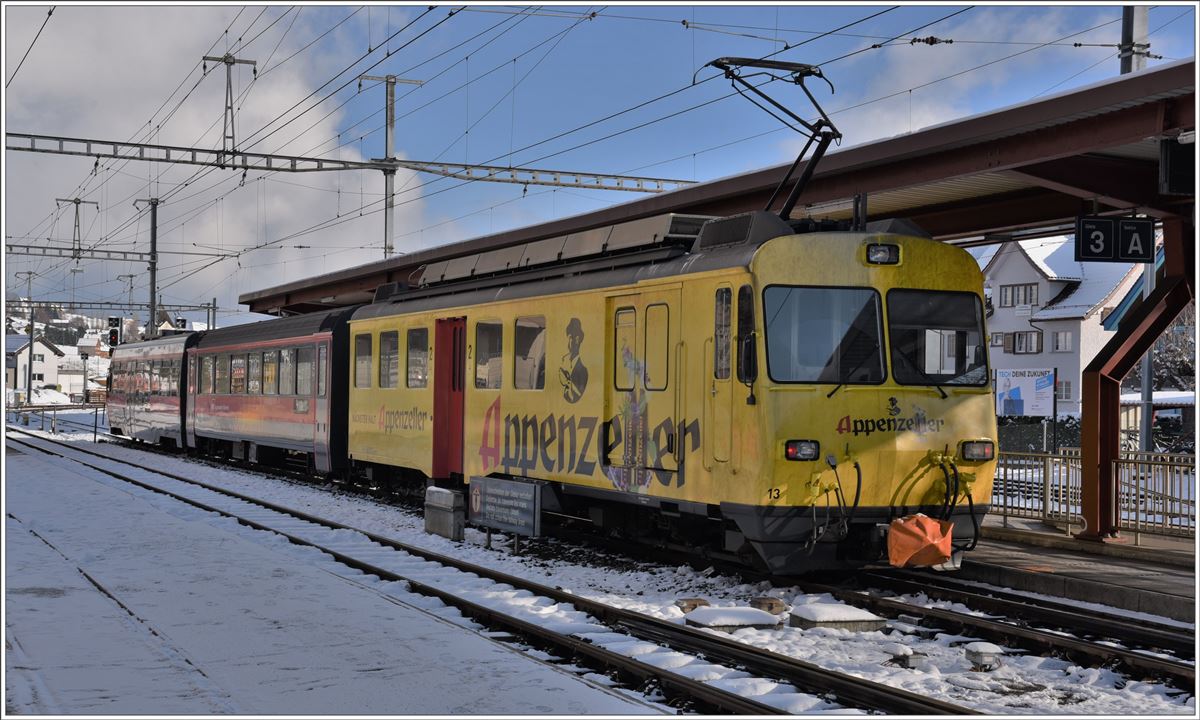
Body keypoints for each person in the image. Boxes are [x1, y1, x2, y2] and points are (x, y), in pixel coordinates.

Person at [560, 318, 588, 403]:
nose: (567, 342)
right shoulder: (566, 364)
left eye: (570, 337)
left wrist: (568, 380)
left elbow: (575, 399)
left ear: (577, 339)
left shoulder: (583, 371)